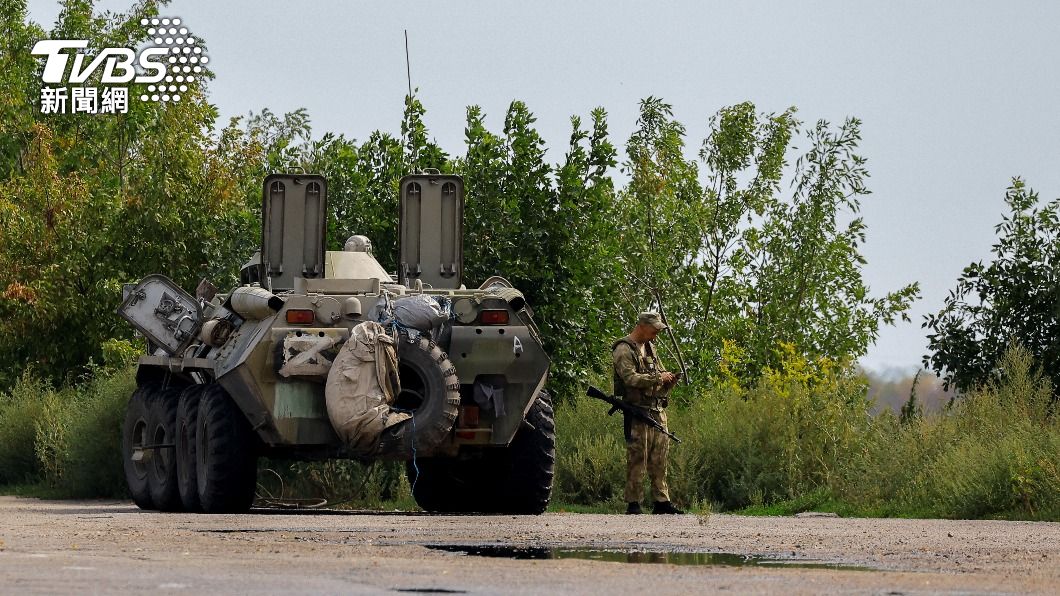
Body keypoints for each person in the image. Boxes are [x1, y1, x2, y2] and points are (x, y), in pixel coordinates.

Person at [612, 312, 683, 515]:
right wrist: (657, 378)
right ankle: (633, 503)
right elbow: (630, 379)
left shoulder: (650, 347)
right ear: (642, 326)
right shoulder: (624, 349)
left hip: (656, 409)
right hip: (637, 411)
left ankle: (661, 501)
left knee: (660, 458)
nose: (656, 335)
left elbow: (657, 373)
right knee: (637, 457)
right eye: (654, 330)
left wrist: (668, 379)